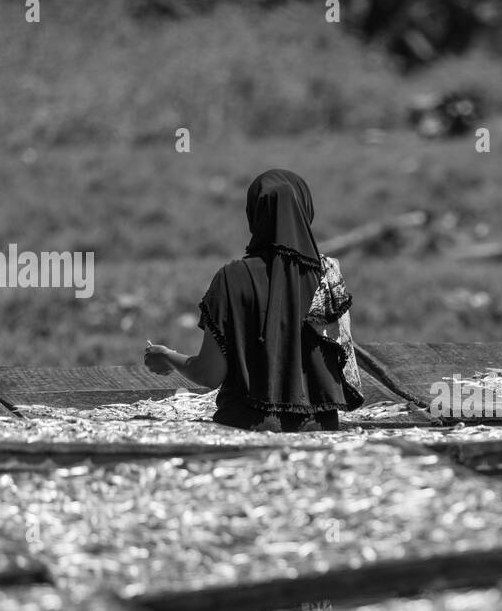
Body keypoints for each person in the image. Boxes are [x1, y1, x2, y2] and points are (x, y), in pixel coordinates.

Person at [143, 169, 363, 431]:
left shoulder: (232, 278)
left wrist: (167, 356)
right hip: (319, 432)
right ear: (307, 212)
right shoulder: (329, 278)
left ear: (253, 215)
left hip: (244, 429)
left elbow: (209, 374)